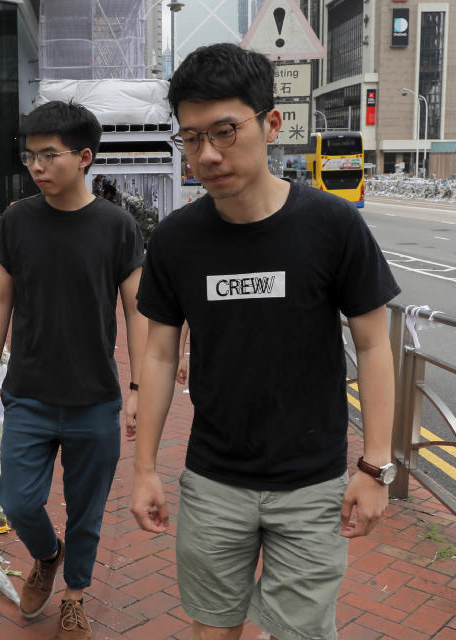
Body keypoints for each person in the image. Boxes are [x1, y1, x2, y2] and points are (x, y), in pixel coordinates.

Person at [129, 43, 400, 640]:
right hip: (213, 481)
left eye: (225, 131)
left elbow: (377, 347)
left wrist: (376, 466)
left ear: (271, 123)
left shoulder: (332, 226)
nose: (208, 154)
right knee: (212, 630)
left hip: (313, 483)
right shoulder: (175, 240)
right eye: (191, 138)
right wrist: (145, 468)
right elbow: (157, 352)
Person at [0, 100, 147, 639]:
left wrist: (139, 387)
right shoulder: (19, 220)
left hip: (95, 398)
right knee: (18, 499)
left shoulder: (117, 226)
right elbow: (0, 300)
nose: (36, 167)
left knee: (87, 510)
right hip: (28, 393)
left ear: (84, 157)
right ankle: (46, 555)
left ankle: (75, 594)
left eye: (48, 156)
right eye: (29, 156)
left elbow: (136, 311)